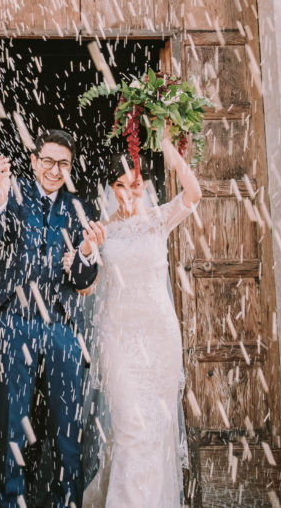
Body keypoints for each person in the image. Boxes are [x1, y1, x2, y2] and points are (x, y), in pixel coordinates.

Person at [0, 129, 107, 508]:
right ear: (34, 161)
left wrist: (86, 253)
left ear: (70, 167)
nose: (55, 170)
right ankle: (11, 502)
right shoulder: (11, 194)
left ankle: (66, 502)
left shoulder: (79, 209)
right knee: (12, 427)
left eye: (63, 163)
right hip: (13, 323)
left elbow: (83, 280)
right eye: (48, 161)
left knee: (67, 431)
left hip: (61, 328)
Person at [81, 129, 202, 508]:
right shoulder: (103, 231)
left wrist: (168, 147)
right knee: (131, 429)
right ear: (109, 188)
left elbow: (193, 194)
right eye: (119, 185)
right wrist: (88, 249)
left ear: (145, 184)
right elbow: (85, 288)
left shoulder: (158, 220)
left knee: (155, 432)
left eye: (134, 184)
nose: (127, 193)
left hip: (159, 337)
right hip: (119, 339)